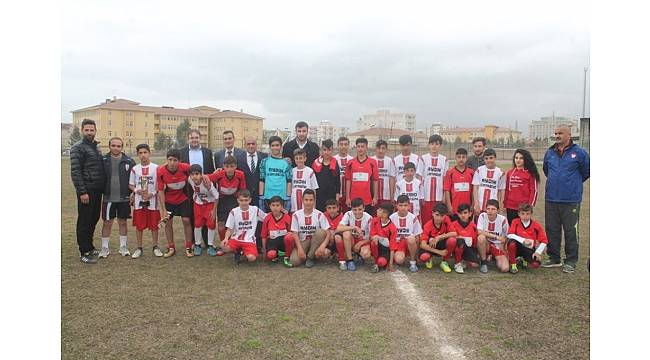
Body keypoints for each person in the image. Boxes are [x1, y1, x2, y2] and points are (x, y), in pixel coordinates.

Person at [541, 125, 590, 273]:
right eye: (555, 133)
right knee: (552, 229)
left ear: (569, 135)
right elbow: (546, 170)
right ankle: (554, 257)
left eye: (560, 133)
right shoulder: (549, 153)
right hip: (551, 199)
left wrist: (571, 184)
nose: (557, 135)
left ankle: (570, 260)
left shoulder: (580, 153)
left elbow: (587, 171)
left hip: (571, 200)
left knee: (571, 231)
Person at [70, 119, 105, 264]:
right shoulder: (78, 148)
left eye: (92, 130)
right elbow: (76, 171)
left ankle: (89, 246)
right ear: (82, 131)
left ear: (95, 131)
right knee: (84, 220)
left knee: (94, 218)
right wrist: (82, 192)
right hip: (87, 190)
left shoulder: (95, 147)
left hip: (97, 190)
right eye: (87, 130)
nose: (90, 132)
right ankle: (83, 251)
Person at [99, 137, 136, 258]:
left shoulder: (129, 161)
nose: (116, 148)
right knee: (107, 223)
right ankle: (104, 248)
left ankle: (123, 247)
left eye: (118, 146)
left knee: (123, 222)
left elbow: (135, 180)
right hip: (108, 198)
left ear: (122, 147)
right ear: (109, 146)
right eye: (113, 145)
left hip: (124, 198)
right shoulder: (103, 160)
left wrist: (133, 193)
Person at [181, 129, 216, 248]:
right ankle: (195, 243)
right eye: (192, 138)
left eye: (196, 137)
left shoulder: (207, 152)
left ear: (200, 139)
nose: (194, 140)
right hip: (189, 187)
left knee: (207, 215)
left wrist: (209, 182)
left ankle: (208, 242)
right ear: (188, 139)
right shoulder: (182, 152)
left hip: (205, 187)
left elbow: (211, 169)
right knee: (193, 215)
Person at [156, 149, 193, 258]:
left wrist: (204, 176)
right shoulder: (161, 171)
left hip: (183, 200)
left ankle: (189, 247)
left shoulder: (186, 168)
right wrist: (163, 210)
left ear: (179, 161)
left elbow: (197, 173)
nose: (172, 163)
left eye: (175, 160)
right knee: (167, 222)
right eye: (170, 160)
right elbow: (161, 191)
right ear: (166, 160)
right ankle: (171, 247)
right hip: (169, 201)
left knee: (186, 220)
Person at [207, 156, 247, 254]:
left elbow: (242, 190)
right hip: (222, 201)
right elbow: (205, 177)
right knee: (221, 225)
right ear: (224, 166)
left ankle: (235, 245)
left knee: (235, 225)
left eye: (232, 166)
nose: (229, 169)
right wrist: (212, 175)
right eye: (227, 166)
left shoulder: (240, 175)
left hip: (234, 201)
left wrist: (242, 203)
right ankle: (223, 246)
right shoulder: (219, 174)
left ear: (236, 166)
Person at [128, 144, 162, 258]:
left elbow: (160, 186)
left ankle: (155, 246)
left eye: (145, 152)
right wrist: (138, 191)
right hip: (139, 201)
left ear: (149, 153)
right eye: (140, 153)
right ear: (137, 154)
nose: (143, 155)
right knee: (139, 225)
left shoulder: (157, 168)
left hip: (152, 202)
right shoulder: (135, 169)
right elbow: (131, 185)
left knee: (154, 225)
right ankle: (139, 248)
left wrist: (151, 194)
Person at [221, 189, 267, 263]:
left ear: (250, 200)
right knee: (224, 247)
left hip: (249, 240)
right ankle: (237, 252)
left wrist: (277, 214)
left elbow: (266, 218)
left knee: (252, 259)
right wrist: (226, 238)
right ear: (238, 200)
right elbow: (229, 228)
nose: (244, 202)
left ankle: (244, 252)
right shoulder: (234, 211)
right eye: (241, 200)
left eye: (246, 200)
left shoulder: (255, 210)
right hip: (236, 239)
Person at [288, 189, 331, 267]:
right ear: (302, 200)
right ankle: (311, 255)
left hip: (316, 242)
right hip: (303, 242)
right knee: (294, 261)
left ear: (314, 201)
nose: (308, 202)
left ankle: (310, 257)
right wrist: (300, 249)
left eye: (311, 200)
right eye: (306, 200)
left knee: (325, 250)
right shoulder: (296, 215)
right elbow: (295, 233)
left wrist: (323, 246)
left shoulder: (319, 214)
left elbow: (327, 233)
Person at [506, 203, 548, 274]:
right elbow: (510, 234)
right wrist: (523, 240)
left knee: (535, 264)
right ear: (519, 214)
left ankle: (523, 260)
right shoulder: (515, 222)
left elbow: (544, 240)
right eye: (523, 214)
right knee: (512, 243)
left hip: (529, 248)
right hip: (517, 247)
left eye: (527, 214)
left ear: (531, 214)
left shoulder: (536, 225)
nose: (525, 216)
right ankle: (513, 265)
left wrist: (538, 252)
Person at [188, 164, 220, 257]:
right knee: (197, 224)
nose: (195, 176)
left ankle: (211, 245)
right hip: (198, 204)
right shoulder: (189, 179)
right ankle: (197, 244)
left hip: (209, 204)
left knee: (211, 224)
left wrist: (214, 210)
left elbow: (216, 196)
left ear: (201, 174)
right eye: (192, 174)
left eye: (197, 174)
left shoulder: (207, 183)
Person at [418, 135, 448, 226]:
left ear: (440, 146)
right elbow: (419, 179)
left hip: (438, 197)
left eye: (437, 144)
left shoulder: (444, 160)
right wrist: (421, 195)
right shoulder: (423, 158)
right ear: (428, 145)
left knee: (438, 221)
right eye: (432, 144)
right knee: (426, 221)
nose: (434, 146)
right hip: (426, 197)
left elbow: (445, 179)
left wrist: (444, 197)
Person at [336, 198, 373, 272]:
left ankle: (358, 256)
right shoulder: (349, 214)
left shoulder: (369, 218)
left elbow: (371, 236)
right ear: (351, 209)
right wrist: (354, 227)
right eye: (354, 209)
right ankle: (350, 260)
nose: (357, 212)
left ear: (364, 208)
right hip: (351, 242)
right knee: (346, 233)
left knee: (366, 254)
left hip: (363, 242)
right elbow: (338, 228)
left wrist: (360, 243)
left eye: (360, 209)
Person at [503, 149, 540, 224]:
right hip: (510, 206)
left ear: (525, 159)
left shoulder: (530, 174)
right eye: (516, 158)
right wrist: (505, 204)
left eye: (521, 158)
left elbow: (534, 191)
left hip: (523, 207)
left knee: (522, 229)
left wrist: (530, 206)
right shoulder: (510, 173)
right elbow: (507, 189)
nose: (518, 160)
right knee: (512, 228)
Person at [345, 137, 379, 215]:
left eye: (362, 146)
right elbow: (348, 180)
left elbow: (375, 181)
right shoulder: (350, 162)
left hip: (367, 200)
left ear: (366, 147)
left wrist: (375, 197)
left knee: (367, 223)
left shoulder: (372, 162)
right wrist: (347, 197)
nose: (360, 149)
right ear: (356, 147)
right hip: (353, 199)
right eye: (358, 146)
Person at [389, 195, 423, 273]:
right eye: (400, 205)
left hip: (410, 244)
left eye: (405, 205)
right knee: (399, 260)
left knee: (411, 238)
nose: (403, 207)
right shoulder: (392, 218)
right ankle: (399, 257)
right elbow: (389, 236)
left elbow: (418, 236)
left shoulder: (413, 217)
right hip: (398, 244)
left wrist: (417, 254)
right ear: (396, 205)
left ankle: (413, 262)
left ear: (409, 206)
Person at [419, 203, 455, 273]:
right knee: (424, 257)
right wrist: (439, 252)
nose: (439, 218)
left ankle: (444, 262)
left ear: (445, 215)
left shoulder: (446, 219)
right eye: (437, 215)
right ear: (432, 213)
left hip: (441, 244)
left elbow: (454, 233)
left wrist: (439, 237)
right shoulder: (428, 225)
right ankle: (429, 258)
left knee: (452, 240)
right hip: (430, 247)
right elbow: (422, 245)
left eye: (442, 216)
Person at [259, 136, 292, 212]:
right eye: (273, 145)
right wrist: (261, 196)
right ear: (270, 147)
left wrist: (288, 197)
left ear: (281, 146)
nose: (275, 148)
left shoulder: (287, 162)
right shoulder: (264, 161)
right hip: (268, 196)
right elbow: (262, 179)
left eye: (277, 145)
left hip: (282, 197)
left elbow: (289, 181)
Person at [476, 199, 509, 273]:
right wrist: (496, 237)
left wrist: (503, 247)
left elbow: (506, 236)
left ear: (498, 210)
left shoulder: (503, 220)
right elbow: (479, 231)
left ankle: (492, 257)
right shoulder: (482, 216)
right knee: (481, 237)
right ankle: (484, 262)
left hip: (497, 245)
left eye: (493, 209)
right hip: (486, 244)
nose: (490, 211)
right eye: (488, 209)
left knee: (505, 268)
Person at [260, 196, 294, 267]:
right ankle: (276, 253)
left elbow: (292, 232)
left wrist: (290, 233)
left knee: (289, 237)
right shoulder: (267, 218)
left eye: (278, 205)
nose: (275, 208)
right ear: (270, 206)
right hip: (272, 241)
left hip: (283, 241)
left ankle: (287, 257)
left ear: (282, 206)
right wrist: (264, 251)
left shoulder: (287, 217)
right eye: (273, 205)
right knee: (271, 255)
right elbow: (263, 235)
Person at [472, 148, 505, 215]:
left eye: (491, 158)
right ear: (484, 159)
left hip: (493, 207)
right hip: (480, 205)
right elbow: (475, 188)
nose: (489, 160)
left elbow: (501, 190)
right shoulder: (479, 170)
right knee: (479, 224)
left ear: (495, 158)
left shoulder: (500, 172)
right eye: (486, 158)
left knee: (491, 224)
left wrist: (500, 205)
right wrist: (476, 203)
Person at [444, 148, 474, 222]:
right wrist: (449, 206)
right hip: (454, 209)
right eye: (459, 157)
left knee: (467, 230)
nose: (461, 159)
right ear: (455, 158)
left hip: (467, 209)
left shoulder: (471, 172)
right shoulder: (450, 172)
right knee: (454, 231)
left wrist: (472, 205)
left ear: (466, 158)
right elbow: (447, 190)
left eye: (463, 157)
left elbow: (474, 191)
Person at [449, 203, 480, 274]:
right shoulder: (453, 224)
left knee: (475, 265)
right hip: (457, 248)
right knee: (460, 241)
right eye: (460, 213)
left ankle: (464, 260)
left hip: (469, 248)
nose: (463, 215)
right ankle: (457, 263)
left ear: (470, 213)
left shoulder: (473, 226)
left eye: (465, 213)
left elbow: (475, 241)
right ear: (457, 214)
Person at [312, 139, 341, 212]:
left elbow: (337, 181)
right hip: (319, 195)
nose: (326, 152)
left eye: (329, 150)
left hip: (331, 195)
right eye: (324, 150)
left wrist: (337, 197)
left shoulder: (335, 163)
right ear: (321, 150)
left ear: (332, 150)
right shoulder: (316, 163)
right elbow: (312, 181)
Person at [236, 136, 267, 201]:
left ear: (256, 145)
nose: (251, 146)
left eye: (253, 144)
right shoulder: (238, 158)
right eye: (248, 144)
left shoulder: (264, 157)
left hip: (261, 194)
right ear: (245, 145)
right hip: (245, 196)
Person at [369, 202, 398, 272]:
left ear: (385, 214)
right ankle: (375, 263)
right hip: (376, 246)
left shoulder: (392, 228)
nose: (377, 210)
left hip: (385, 250)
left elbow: (392, 247)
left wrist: (390, 263)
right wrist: (377, 238)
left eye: (379, 210)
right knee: (374, 241)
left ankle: (384, 261)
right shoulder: (374, 221)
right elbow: (371, 236)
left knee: (381, 262)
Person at [290, 149, 319, 213]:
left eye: (300, 158)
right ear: (294, 159)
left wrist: (314, 205)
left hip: (307, 204)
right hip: (294, 203)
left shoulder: (310, 171)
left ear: (305, 159)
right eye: (296, 158)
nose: (298, 160)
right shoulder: (291, 171)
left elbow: (314, 188)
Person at [371, 140, 396, 207]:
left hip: (386, 195)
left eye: (383, 148)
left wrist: (392, 195)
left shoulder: (390, 161)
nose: (380, 150)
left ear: (386, 149)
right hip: (372, 196)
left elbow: (392, 179)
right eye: (379, 148)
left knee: (385, 215)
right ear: (375, 149)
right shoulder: (371, 160)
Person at [323, 199, 346, 270]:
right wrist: (330, 233)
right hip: (328, 241)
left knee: (337, 237)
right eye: (329, 208)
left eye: (334, 208)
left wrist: (334, 232)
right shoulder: (323, 216)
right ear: (326, 209)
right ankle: (331, 253)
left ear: (338, 208)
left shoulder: (342, 217)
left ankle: (342, 260)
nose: (331, 210)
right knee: (324, 254)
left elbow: (344, 229)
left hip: (338, 240)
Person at [334, 136, 354, 213]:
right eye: (341, 144)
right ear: (338, 145)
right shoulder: (333, 160)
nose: (343, 146)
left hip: (349, 195)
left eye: (345, 144)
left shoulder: (352, 160)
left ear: (348, 146)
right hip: (337, 194)